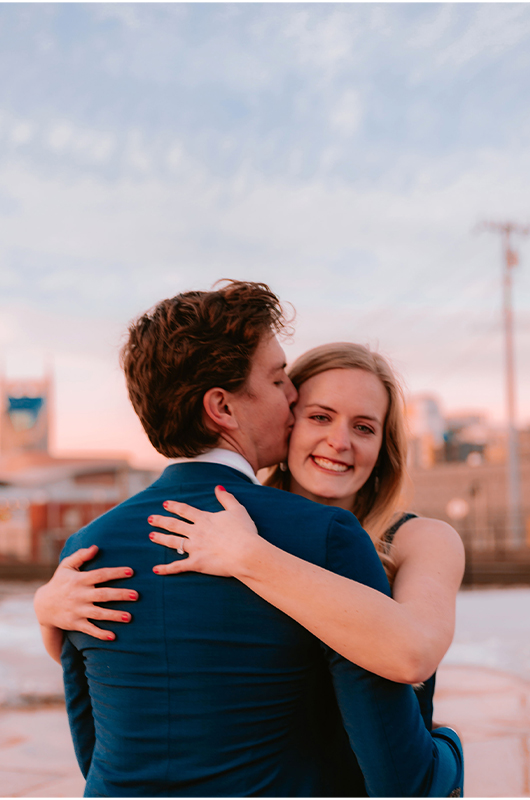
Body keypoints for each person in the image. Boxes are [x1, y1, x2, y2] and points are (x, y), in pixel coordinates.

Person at [35, 281, 464, 797]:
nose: (289, 398)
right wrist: (450, 747)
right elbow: (401, 782)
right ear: (223, 407)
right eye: (286, 386)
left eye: (365, 427)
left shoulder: (88, 546)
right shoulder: (328, 538)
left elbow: (96, 754)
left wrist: (250, 555)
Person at [145, 342, 465, 730]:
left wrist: (250, 558)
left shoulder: (422, 540)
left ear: (383, 448)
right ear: (287, 421)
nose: (340, 442)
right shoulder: (225, 527)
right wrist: (53, 618)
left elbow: (415, 655)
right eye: (320, 417)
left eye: (363, 427)